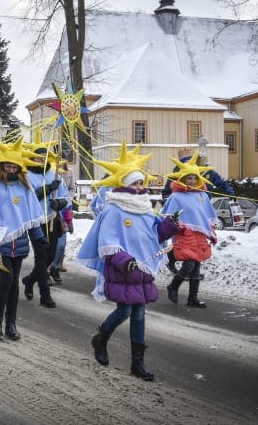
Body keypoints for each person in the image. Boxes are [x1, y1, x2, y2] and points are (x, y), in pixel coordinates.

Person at [77, 163, 182, 381]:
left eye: (141, 182)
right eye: (134, 182)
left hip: (142, 269)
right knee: (124, 311)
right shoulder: (113, 209)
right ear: (124, 185)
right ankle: (101, 338)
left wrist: (169, 225)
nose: (138, 186)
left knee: (139, 314)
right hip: (123, 268)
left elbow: (156, 234)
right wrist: (124, 260)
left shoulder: (144, 207)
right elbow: (107, 242)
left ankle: (137, 363)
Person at [0, 137, 48, 341]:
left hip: (19, 240)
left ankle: (11, 323)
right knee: (7, 278)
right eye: (8, 164)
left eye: (15, 165)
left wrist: (39, 237)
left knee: (14, 284)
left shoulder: (25, 185)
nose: (12, 168)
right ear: (2, 164)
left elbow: (30, 214)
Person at [161, 149, 219, 308]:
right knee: (189, 264)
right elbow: (169, 216)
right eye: (189, 178)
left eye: (195, 178)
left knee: (197, 264)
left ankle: (192, 298)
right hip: (184, 234)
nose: (192, 181)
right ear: (182, 179)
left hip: (199, 235)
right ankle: (173, 286)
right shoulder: (176, 196)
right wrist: (177, 227)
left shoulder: (202, 196)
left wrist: (211, 233)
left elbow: (206, 216)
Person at [21, 141, 70, 308]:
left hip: (53, 219)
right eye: (38, 157)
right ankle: (45, 294)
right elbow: (30, 197)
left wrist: (60, 203)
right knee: (41, 257)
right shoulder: (26, 175)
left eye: (44, 157)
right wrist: (48, 189)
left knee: (50, 255)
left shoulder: (54, 174)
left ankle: (29, 280)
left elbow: (66, 197)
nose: (42, 160)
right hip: (37, 221)